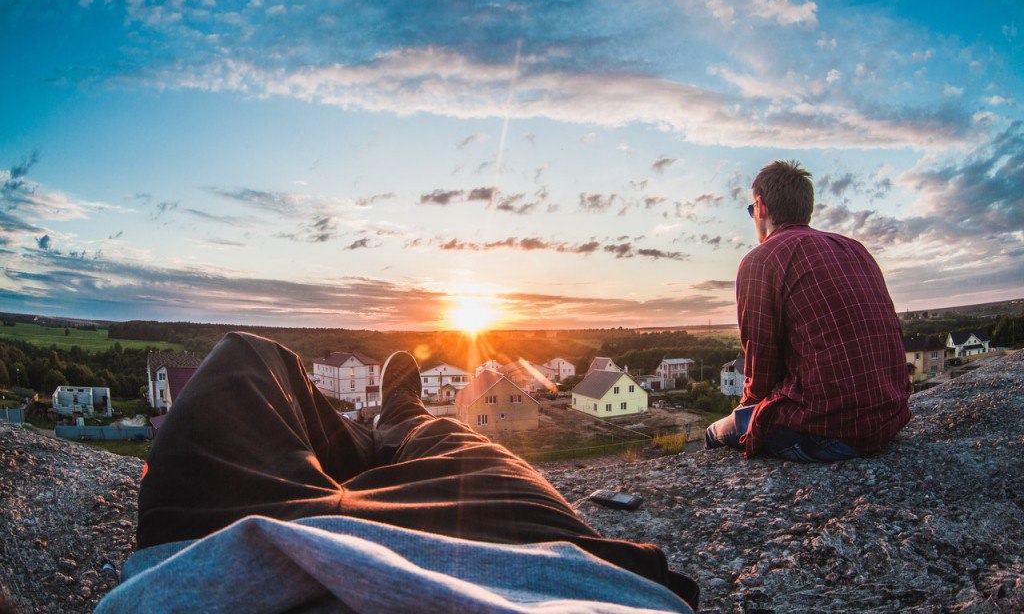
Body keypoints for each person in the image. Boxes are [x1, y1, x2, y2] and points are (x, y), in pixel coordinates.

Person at [97, 332, 698, 612]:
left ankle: (376, 432)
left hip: (225, 552)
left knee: (245, 360)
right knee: (443, 434)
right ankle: (400, 416)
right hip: (526, 562)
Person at [705, 160, 911, 462]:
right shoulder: (855, 248)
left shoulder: (761, 259)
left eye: (752, 211)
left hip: (827, 431)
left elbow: (760, 369)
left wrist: (745, 411)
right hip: (889, 419)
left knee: (716, 432)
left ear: (760, 207)